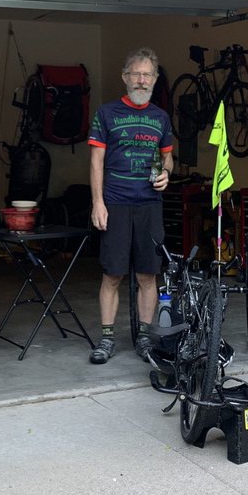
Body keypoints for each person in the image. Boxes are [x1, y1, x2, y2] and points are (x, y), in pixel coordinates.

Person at [88, 47, 174, 364]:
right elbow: (96, 162)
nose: (141, 80)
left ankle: (145, 338)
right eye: (136, 74)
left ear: (154, 79)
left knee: (148, 275)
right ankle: (107, 338)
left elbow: (168, 156)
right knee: (112, 274)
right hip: (116, 202)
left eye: (147, 74)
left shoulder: (160, 117)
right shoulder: (106, 113)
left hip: (150, 203)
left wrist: (166, 173)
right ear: (125, 77)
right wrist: (98, 202)